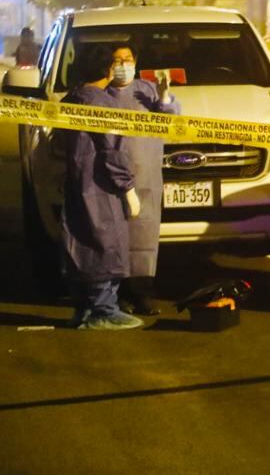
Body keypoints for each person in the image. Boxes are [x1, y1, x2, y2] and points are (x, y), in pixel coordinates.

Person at [59, 45, 144, 330]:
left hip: (77, 183)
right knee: (106, 244)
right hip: (101, 187)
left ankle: (83, 309)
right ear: (107, 69)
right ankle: (103, 310)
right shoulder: (103, 103)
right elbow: (112, 150)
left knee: (82, 244)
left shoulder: (72, 99)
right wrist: (128, 188)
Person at [105, 43, 180, 315]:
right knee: (116, 237)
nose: (123, 65)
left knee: (145, 239)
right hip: (111, 181)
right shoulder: (101, 94)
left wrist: (165, 96)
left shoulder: (146, 90)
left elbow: (172, 119)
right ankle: (119, 296)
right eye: (117, 60)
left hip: (147, 177)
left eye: (128, 59)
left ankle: (144, 295)